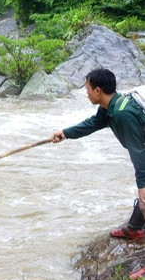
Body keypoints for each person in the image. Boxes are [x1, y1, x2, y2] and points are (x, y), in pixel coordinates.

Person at [51, 68, 145, 245]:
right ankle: (134, 229)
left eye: (87, 89)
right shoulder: (110, 106)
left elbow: (138, 152)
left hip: (142, 149)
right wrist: (65, 133)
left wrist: (142, 186)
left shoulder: (122, 114)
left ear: (97, 90)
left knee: (144, 200)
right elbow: (93, 123)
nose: (86, 94)